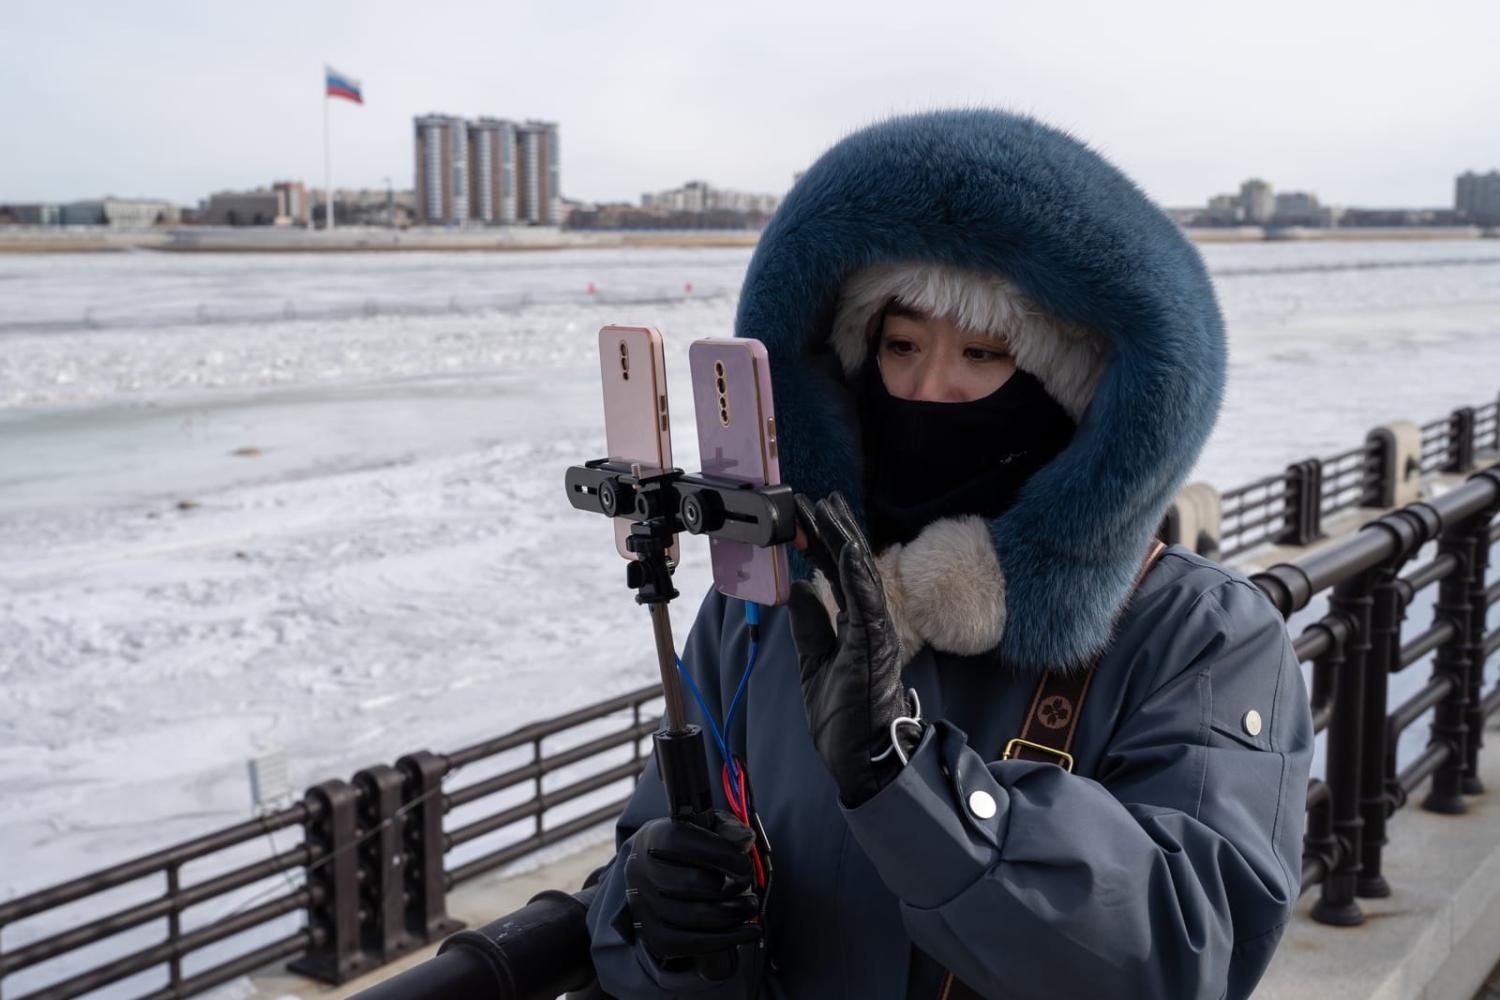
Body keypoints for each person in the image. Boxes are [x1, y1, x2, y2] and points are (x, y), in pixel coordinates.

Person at [583, 109, 1314, 1000]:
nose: (929, 389)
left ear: (1072, 380)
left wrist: (911, 784)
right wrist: (657, 913)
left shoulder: (1198, 636)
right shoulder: (770, 606)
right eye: (900, 345)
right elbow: (641, 879)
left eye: (983, 352)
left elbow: (1187, 948)